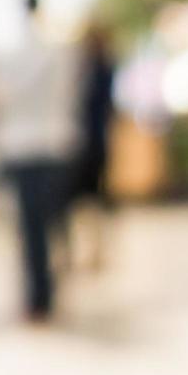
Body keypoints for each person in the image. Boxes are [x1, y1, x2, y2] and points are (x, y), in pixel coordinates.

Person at [0, 0, 81, 323]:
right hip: (53, 145)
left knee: (31, 228)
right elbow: (69, 96)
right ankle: (51, 289)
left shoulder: (9, 57)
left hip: (22, 147)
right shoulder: (57, 53)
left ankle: (38, 297)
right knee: (56, 223)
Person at [70, 22, 117, 270]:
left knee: (93, 199)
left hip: (92, 142)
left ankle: (97, 251)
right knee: (85, 201)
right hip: (86, 142)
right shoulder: (92, 69)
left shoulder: (100, 70)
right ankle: (87, 250)